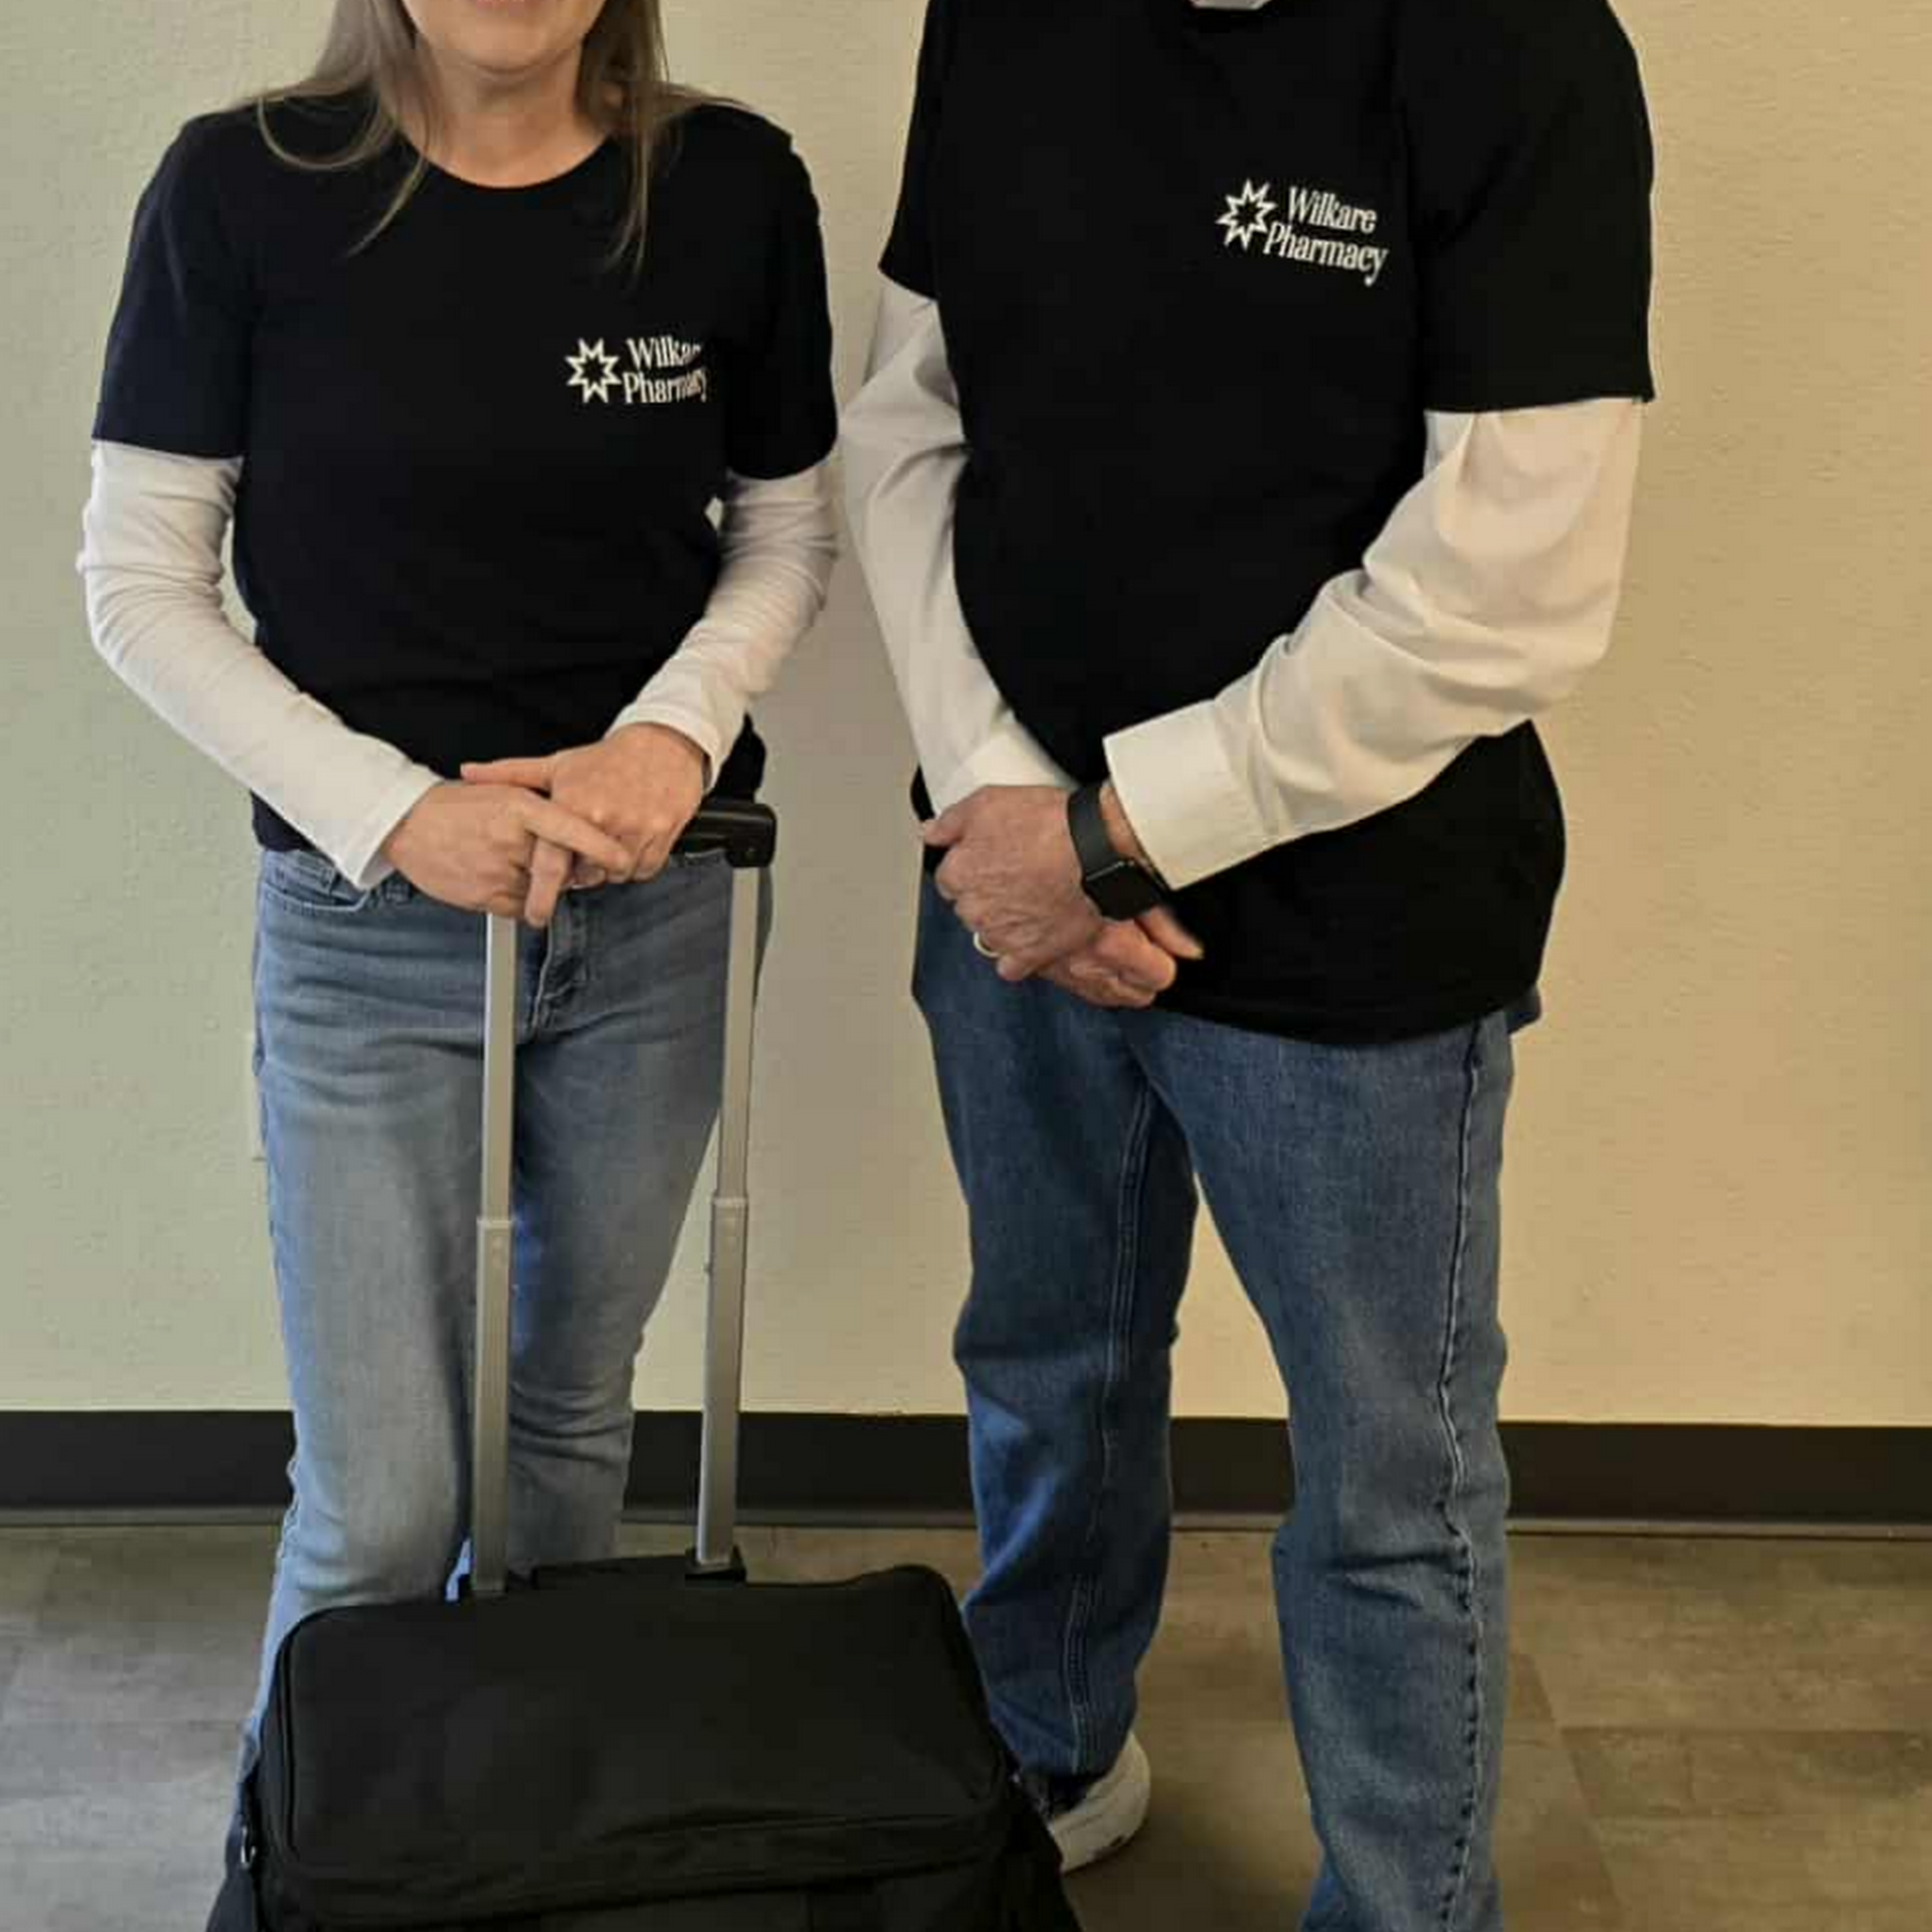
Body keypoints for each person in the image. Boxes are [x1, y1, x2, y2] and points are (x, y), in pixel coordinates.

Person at [843, 0, 1653, 1922]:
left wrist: (1118, 836)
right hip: (1013, 880)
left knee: (1385, 1482)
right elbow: (909, 418)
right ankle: (1047, 1748)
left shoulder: (1514, 49)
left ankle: (1403, 1899)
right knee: (1046, 1359)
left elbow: (1509, 586)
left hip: (1353, 930)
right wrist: (1003, 797)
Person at [77, 3, 837, 1921]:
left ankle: (518, 1866)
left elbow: (785, 529)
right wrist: (392, 809)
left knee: (568, 1441)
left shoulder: (729, 186)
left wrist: (669, 739)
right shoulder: (238, 190)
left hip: (655, 912)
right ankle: (301, 1883)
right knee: (384, 1503)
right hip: (367, 934)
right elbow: (138, 583)